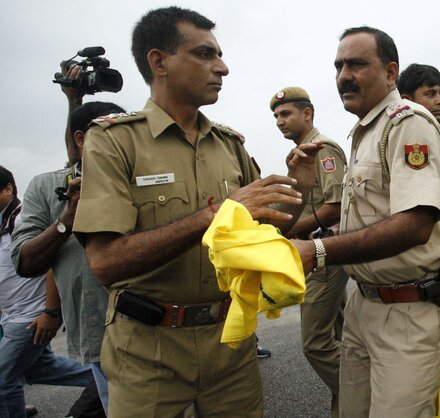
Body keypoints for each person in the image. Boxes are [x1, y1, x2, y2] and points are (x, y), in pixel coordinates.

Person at [71, 7, 319, 416]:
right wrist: (215, 215)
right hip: (148, 351)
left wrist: (300, 187)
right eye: (205, 54)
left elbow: (263, 236)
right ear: (159, 61)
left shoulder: (229, 144)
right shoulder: (114, 141)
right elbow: (105, 263)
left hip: (231, 343)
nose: (221, 68)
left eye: (219, 55)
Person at [292, 26, 440, 417]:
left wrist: (317, 250)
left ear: (390, 72)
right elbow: (368, 218)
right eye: (338, 66)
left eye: (357, 64)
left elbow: (415, 224)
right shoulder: (365, 131)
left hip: (408, 311)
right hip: (362, 303)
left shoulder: (407, 123)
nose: (343, 75)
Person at [11, 101, 124, 413]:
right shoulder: (48, 187)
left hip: (153, 325)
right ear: (80, 139)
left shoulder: (143, 178)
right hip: (97, 329)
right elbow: (26, 261)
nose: (124, 140)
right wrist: (67, 221)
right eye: (109, 132)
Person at [270, 86, 348, 416]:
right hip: (317, 250)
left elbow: (335, 206)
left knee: (315, 343)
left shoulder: (323, 149)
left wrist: (290, 232)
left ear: (308, 113)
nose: (279, 121)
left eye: (285, 113)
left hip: (323, 251)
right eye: (275, 116)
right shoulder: (301, 154)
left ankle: (366, 393)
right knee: (340, 336)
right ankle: (348, 405)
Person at [1, 165, 94, 418]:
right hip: (11, 314)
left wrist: (50, 311)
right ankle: (109, 377)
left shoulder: (22, 218)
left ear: (8, 188)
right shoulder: (3, 222)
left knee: (2, 376)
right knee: (40, 369)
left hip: (29, 316)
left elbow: (52, 259)